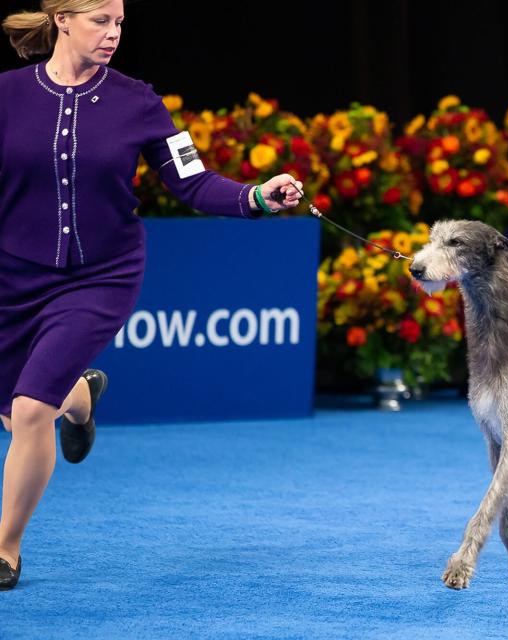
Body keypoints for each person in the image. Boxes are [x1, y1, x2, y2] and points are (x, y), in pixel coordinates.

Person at [0, 0, 303, 590]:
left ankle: (5, 550)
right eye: (99, 21)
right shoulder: (7, 94)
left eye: (119, 22)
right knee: (13, 414)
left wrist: (256, 197)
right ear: (62, 20)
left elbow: (191, 180)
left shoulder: (139, 100)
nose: (114, 34)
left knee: (32, 409)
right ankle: (81, 398)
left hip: (101, 275)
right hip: (12, 277)